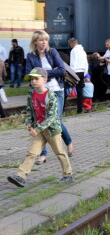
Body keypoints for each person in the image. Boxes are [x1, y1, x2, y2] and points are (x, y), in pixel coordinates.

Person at [7, 67, 74, 188]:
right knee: (32, 153)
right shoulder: (31, 94)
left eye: (36, 79)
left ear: (45, 79)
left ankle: (68, 175)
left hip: (52, 130)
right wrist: (29, 122)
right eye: (31, 79)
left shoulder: (51, 96)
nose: (33, 81)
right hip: (38, 129)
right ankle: (21, 176)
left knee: (59, 152)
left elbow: (52, 117)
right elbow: (29, 111)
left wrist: (36, 129)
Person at [25, 30, 74, 162]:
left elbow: (62, 71)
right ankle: (43, 154)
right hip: (41, 92)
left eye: (46, 40)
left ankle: (68, 142)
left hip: (57, 90)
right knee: (40, 121)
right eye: (41, 40)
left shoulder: (53, 52)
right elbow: (29, 73)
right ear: (35, 42)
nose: (44, 42)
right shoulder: (30, 56)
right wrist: (45, 74)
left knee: (54, 120)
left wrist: (42, 74)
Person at [68, 37, 88, 113]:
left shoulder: (73, 51)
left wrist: (71, 73)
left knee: (67, 88)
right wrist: (85, 73)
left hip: (76, 72)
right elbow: (86, 63)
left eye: (70, 44)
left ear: (73, 43)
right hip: (82, 72)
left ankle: (62, 109)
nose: (70, 46)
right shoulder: (83, 51)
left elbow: (73, 62)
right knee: (80, 91)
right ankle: (80, 109)